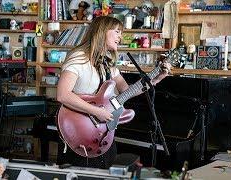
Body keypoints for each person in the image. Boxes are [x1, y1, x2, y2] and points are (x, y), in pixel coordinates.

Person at [56, 16, 171, 169]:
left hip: (103, 132)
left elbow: (127, 91)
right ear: (102, 32)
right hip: (79, 131)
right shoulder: (79, 57)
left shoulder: (108, 63)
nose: (120, 37)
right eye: (117, 32)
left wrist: (156, 79)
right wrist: (96, 111)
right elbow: (63, 95)